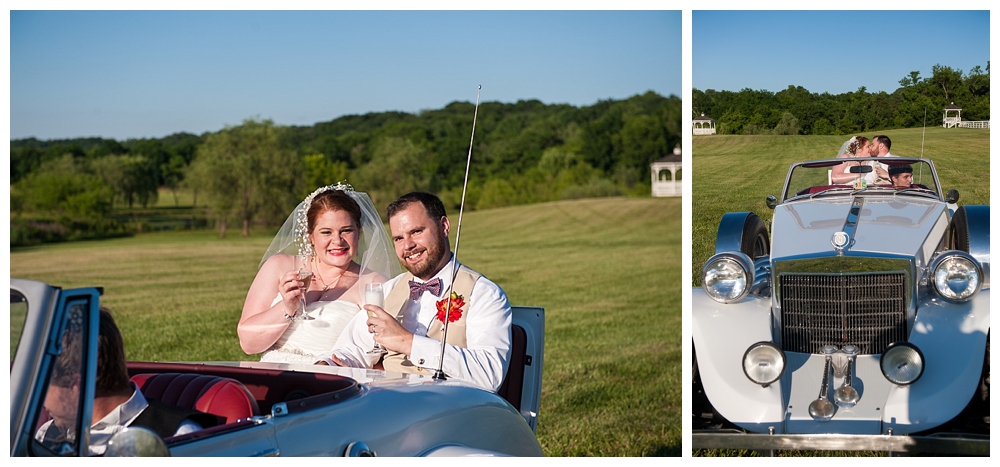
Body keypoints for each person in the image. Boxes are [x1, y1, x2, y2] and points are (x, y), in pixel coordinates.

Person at [319, 192, 512, 392]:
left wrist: (408, 343)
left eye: (417, 231)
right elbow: (352, 349)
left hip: (450, 410)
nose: (408, 245)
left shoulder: (483, 294)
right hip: (388, 403)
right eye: (399, 238)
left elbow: (489, 375)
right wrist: (329, 366)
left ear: (444, 226)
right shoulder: (388, 290)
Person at [239, 183, 401, 364]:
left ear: (359, 233)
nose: (337, 241)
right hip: (273, 377)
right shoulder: (279, 266)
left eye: (346, 230)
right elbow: (248, 344)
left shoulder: (373, 284)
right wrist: (287, 307)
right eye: (326, 232)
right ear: (311, 237)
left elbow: (384, 356)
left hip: (329, 381)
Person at [36, 307, 216, 456]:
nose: (39, 399)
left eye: (42, 383)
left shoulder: (177, 438)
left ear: (77, 384)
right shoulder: (46, 435)